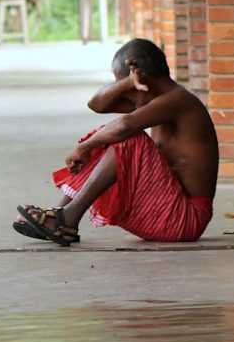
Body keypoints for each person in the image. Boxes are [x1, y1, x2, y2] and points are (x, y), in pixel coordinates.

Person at [14, 38, 218, 246]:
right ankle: (61, 216)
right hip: (168, 210)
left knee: (127, 137)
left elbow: (124, 126)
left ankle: (66, 219)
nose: (122, 93)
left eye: (123, 84)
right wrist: (128, 82)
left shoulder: (178, 101)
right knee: (106, 134)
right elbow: (96, 105)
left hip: (186, 219)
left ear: (142, 77)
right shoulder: (152, 100)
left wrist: (83, 147)